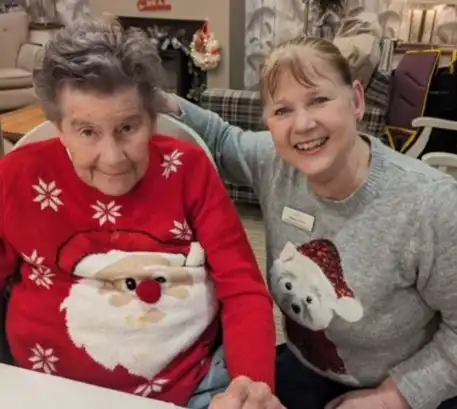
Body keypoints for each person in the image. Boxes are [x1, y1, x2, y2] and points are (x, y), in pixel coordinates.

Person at [161, 36, 457, 409]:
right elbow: (220, 138)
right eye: (282, 110)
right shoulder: (274, 163)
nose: (303, 124)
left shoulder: (429, 204)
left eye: (319, 100)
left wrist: (392, 398)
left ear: (357, 100)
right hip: (312, 367)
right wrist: (157, 100)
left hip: (415, 386)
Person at [0, 16, 278, 409]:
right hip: (46, 390)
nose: (112, 158)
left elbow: (243, 290)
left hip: (193, 388)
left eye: (128, 128)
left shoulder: (188, 170)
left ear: (151, 119)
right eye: (87, 132)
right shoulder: (17, 175)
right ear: (59, 127)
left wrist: (251, 387)